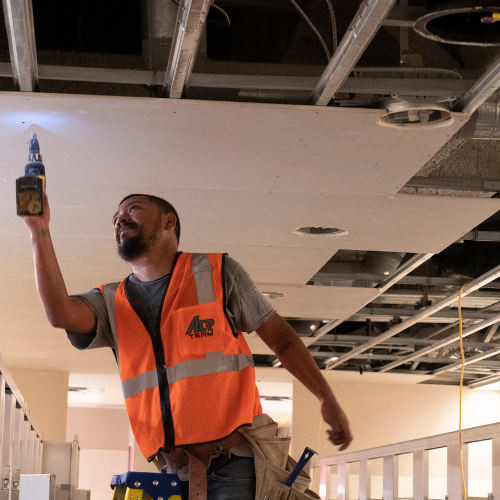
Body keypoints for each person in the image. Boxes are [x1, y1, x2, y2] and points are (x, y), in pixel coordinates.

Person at [22, 193, 352, 500]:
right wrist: (39, 231)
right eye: (116, 217)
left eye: (132, 209)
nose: (120, 219)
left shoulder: (218, 273)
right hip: (173, 473)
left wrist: (327, 397)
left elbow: (282, 339)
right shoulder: (111, 302)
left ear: (169, 222)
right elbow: (60, 314)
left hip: (234, 467)